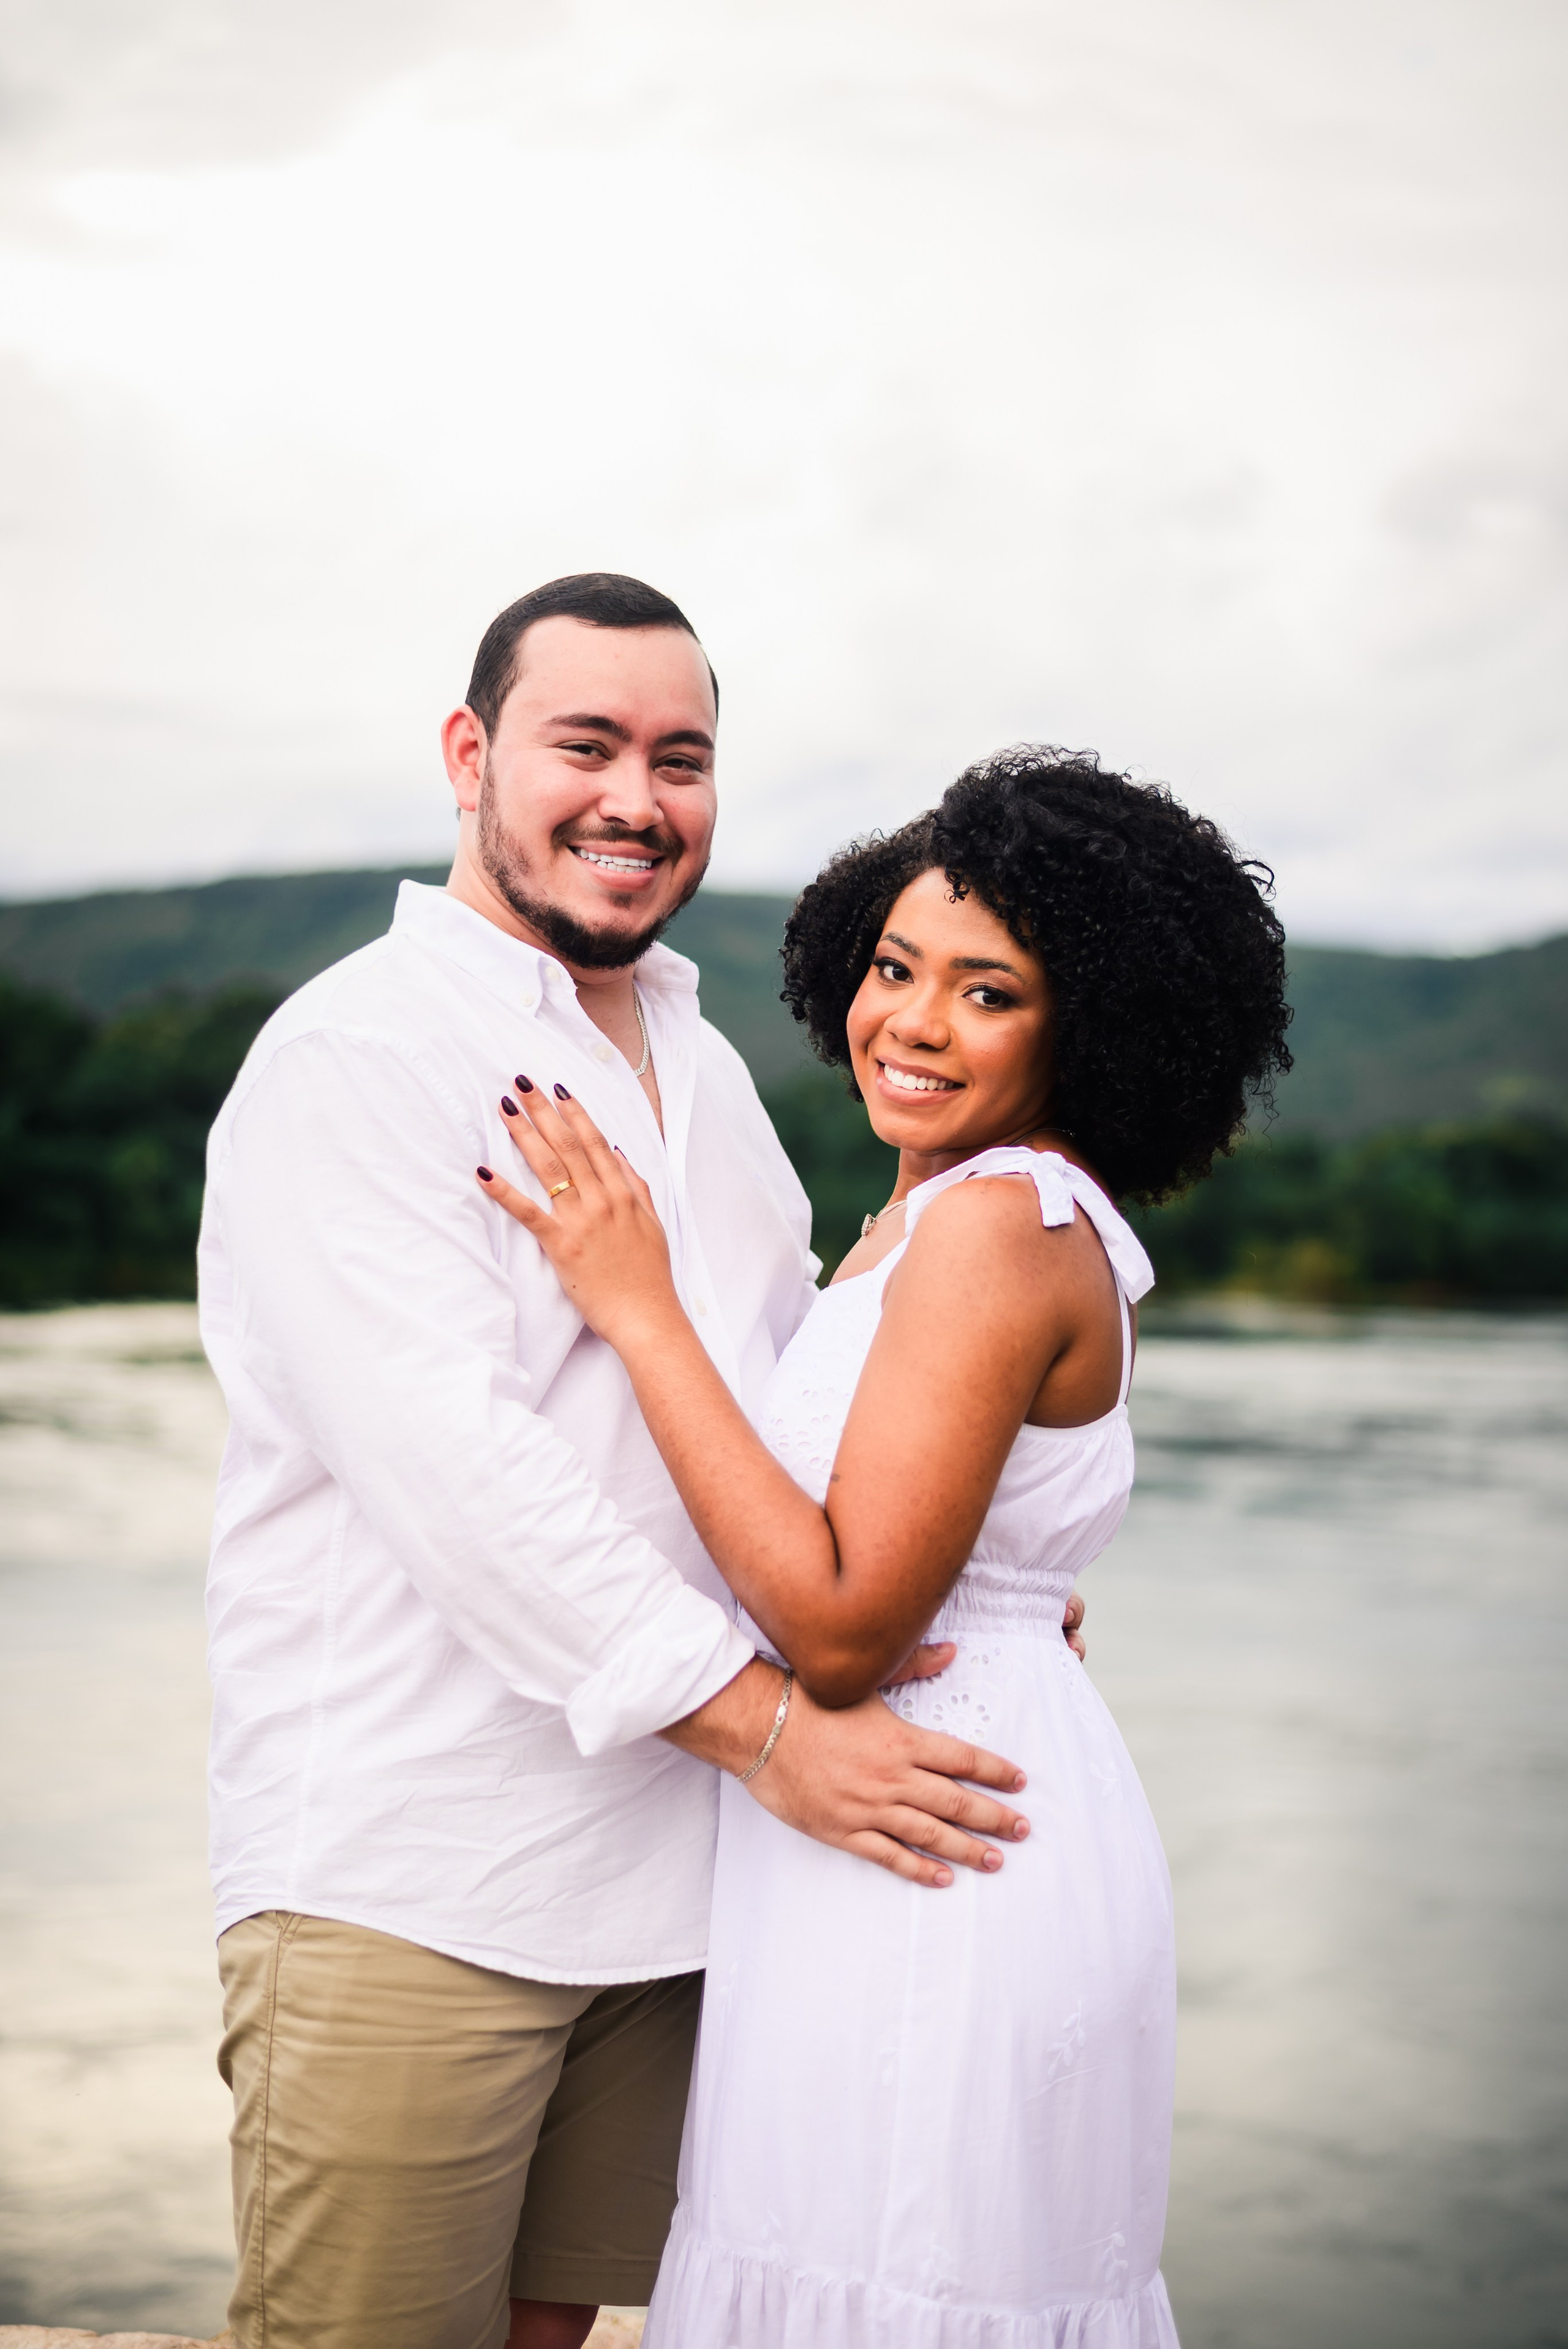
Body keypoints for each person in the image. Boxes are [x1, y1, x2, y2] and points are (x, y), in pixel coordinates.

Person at [197, 574, 1050, 2349]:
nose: (636, 798)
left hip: (670, 1898)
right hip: (410, 1881)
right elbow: (463, 1480)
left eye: (683, 758)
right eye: (584, 744)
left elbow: (778, 1415)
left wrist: (970, 1574)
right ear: (469, 754)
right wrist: (771, 1733)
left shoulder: (709, 1072)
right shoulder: (355, 1056)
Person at [477, 747, 1293, 2345]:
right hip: (922, 1800)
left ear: (1090, 1024)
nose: (910, 1020)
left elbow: (846, 1624)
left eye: (986, 991)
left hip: (932, 1838)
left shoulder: (999, 1224)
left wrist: (636, 1307)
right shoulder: (943, 1214)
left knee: (898, 2272)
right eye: (895, 966)